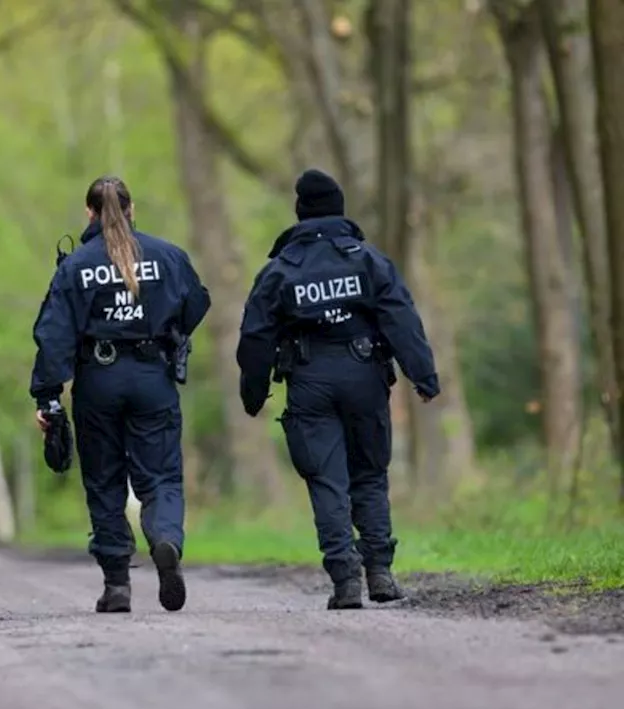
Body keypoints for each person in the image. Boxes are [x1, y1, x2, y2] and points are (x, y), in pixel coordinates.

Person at [236, 168, 439, 610]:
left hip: (309, 380)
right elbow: (401, 317)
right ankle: (380, 573)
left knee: (327, 479)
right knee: (369, 473)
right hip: (364, 373)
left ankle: (346, 580)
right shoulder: (368, 260)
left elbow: (255, 336)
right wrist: (422, 376)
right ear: (340, 210)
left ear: (300, 212)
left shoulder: (279, 271)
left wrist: (252, 392)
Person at [30, 175, 210, 614]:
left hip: (99, 380)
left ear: (89, 213)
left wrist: (47, 397)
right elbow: (197, 304)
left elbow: (54, 336)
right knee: (162, 475)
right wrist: (165, 332)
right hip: (152, 377)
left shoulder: (75, 267)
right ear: (131, 210)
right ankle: (165, 537)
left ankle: (116, 586)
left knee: (105, 481)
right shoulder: (167, 256)